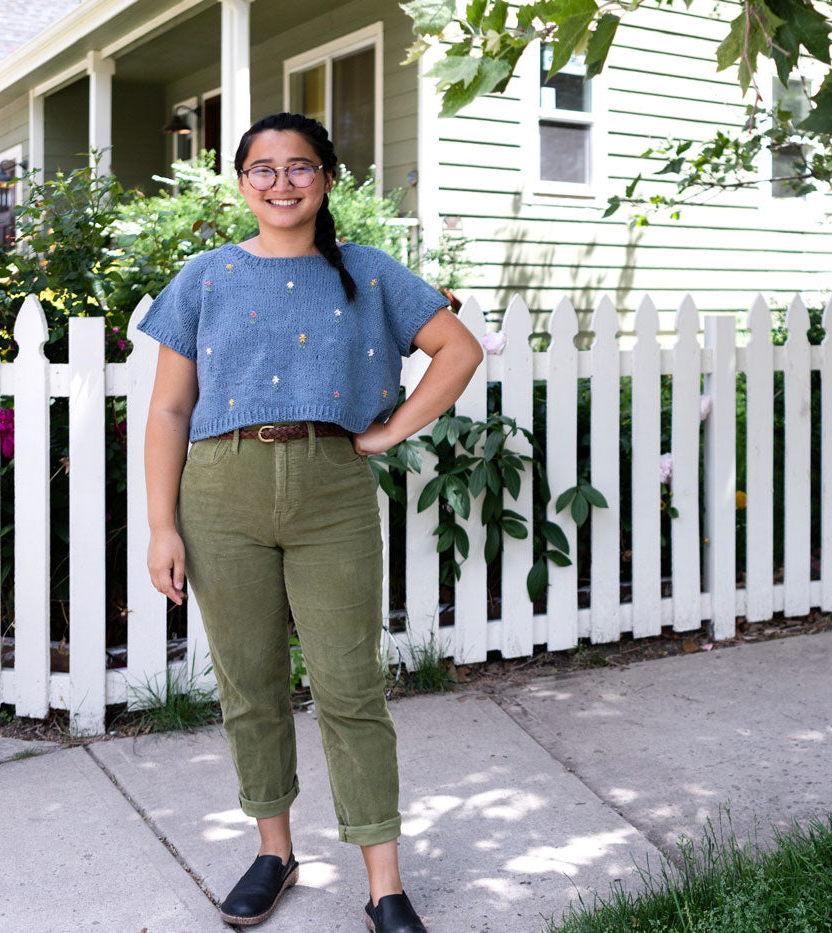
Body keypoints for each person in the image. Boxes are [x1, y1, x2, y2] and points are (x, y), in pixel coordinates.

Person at [139, 112, 482, 932]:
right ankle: (273, 851)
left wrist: (392, 430)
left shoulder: (368, 271)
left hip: (331, 485)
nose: (282, 182)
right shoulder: (206, 277)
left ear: (326, 178)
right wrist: (162, 525)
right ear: (242, 183)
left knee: (350, 684)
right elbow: (168, 409)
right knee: (249, 682)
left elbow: (459, 350)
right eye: (263, 168)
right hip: (221, 490)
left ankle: (384, 883)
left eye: (300, 167)